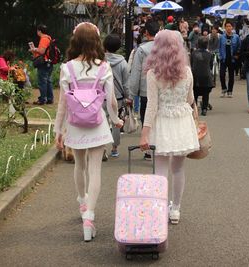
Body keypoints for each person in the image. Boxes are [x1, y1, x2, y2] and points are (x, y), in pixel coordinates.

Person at [54, 22, 123, 242]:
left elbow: (63, 104)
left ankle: (82, 203)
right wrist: (116, 120)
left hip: (75, 125)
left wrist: (58, 130)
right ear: (96, 40)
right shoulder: (104, 67)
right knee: (95, 170)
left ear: (76, 41)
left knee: (79, 166)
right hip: (97, 124)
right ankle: (89, 219)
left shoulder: (67, 68)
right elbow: (111, 101)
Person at [139, 30, 199, 225]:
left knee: (161, 168)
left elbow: (152, 106)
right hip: (182, 121)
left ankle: (159, 208)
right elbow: (190, 99)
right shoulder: (187, 71)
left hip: (163, 122)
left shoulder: (153, 74)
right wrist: (195, 112)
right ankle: (176, 209)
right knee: (178, 168)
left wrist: (144, 133)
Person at [128, 19, 160, 161]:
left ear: (146, 33)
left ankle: (147, 149)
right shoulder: (165, 48)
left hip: (145, 89)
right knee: (158, 119)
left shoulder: (141, 50)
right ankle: (159, 145)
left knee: (146, 118)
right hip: (161, 90)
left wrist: (131, 93)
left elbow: (135, 73)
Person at [103, 34, 130, 157]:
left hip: (101, 96)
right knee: (116, 123)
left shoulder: (100, 61)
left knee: (101, 122)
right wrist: (128, 96)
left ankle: (101, 148)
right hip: (117, 97)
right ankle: (114, 148)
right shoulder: (123, 62)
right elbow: (126, 83)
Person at [30, 24, 54, 105]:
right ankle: (50, 98)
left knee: (42, 81)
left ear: (39, 31)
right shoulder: (49, 38)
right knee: (48, 81)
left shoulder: (44, 39)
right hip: (49, 62)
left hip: (44, 62)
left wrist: (34, 49)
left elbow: (42, 51)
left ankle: (42, 99)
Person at [191, 37, 214, 116]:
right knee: (206, 94)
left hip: (195, 77)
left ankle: (194, 108)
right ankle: (204, 109)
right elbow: (210, 66)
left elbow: (191, 64)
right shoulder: (210, 54)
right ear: (207, 45)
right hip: (206, 77)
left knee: (195, 93)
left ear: (198, 44)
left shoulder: (193, 53)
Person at [219, 21, 241, 97]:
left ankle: (230, 91)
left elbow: (239, 47)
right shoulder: (222, 37)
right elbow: (219, 47)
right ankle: (224, 88)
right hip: (223, 58)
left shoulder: (236, 37)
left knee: (231, 76)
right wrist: (220, 56)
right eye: (227, 26)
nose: (228, 28)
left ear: (232, 27)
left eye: (230, 26)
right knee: (222, 74)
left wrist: (237, 55)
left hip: (232, 59)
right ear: (225, 28)